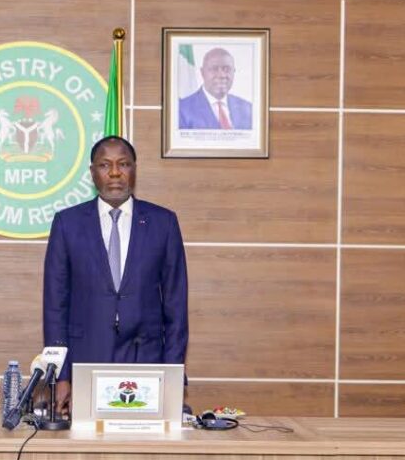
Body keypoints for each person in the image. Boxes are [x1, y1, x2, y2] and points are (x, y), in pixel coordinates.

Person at [43, 136, 189, 411]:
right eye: (104, 165)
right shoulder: (67, 224)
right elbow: (55, 306)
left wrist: (172, 373)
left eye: (123, 164)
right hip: (86, 359)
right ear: (92, 172)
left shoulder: (163, 223)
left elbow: (176, 306)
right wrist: (61, 375)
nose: (114, 173)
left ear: (134, 169)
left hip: (146, 359)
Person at [177, 47, 253, 130]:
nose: (221, 75)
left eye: (226, 69)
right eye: (214, 69)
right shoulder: (181, 109)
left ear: (233, 72)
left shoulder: (248, 108)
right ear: (202, 72)